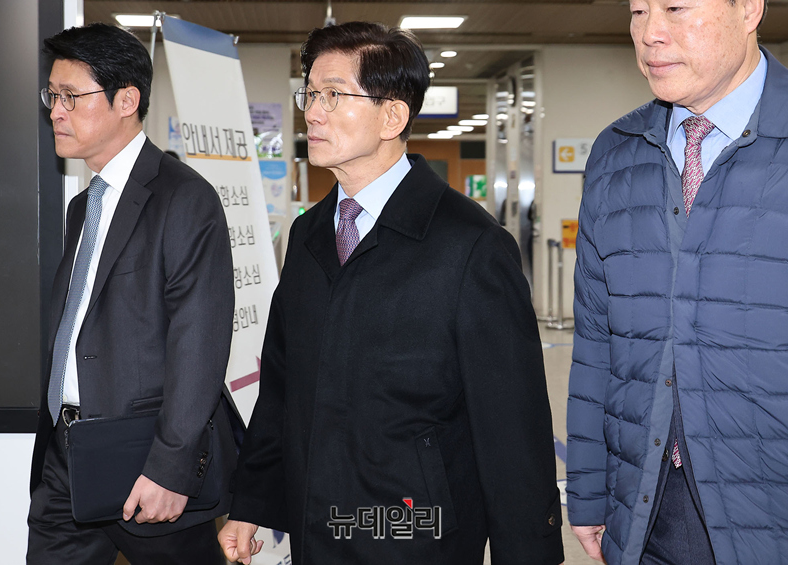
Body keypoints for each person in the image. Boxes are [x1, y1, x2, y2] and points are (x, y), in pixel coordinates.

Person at [218, 21, 564, 565]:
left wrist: (529, 554)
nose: (313, 113)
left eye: (334, 95)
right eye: (310, 94)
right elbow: (283, 385)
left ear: (393, 117)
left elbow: (512, 427)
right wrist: (252, 500)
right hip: (317, 525)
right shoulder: (308, 234)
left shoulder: (470, 245)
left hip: (416, 533)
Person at [567, 0, 786, 563]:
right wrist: (588, 492)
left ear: (749, 9)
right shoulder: (616, 151)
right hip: (648, 507)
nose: (650, 33)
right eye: (638, 11)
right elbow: (597, 344)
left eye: (676, 8)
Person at [27, 23, 238, 564]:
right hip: (66, 456)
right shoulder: (83, 207)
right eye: (52, 96)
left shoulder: (184, 198)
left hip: (144, 458)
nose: (56, 112)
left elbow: (200, 344)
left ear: (127, 100)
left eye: (71, 96)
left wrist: (171, 467)